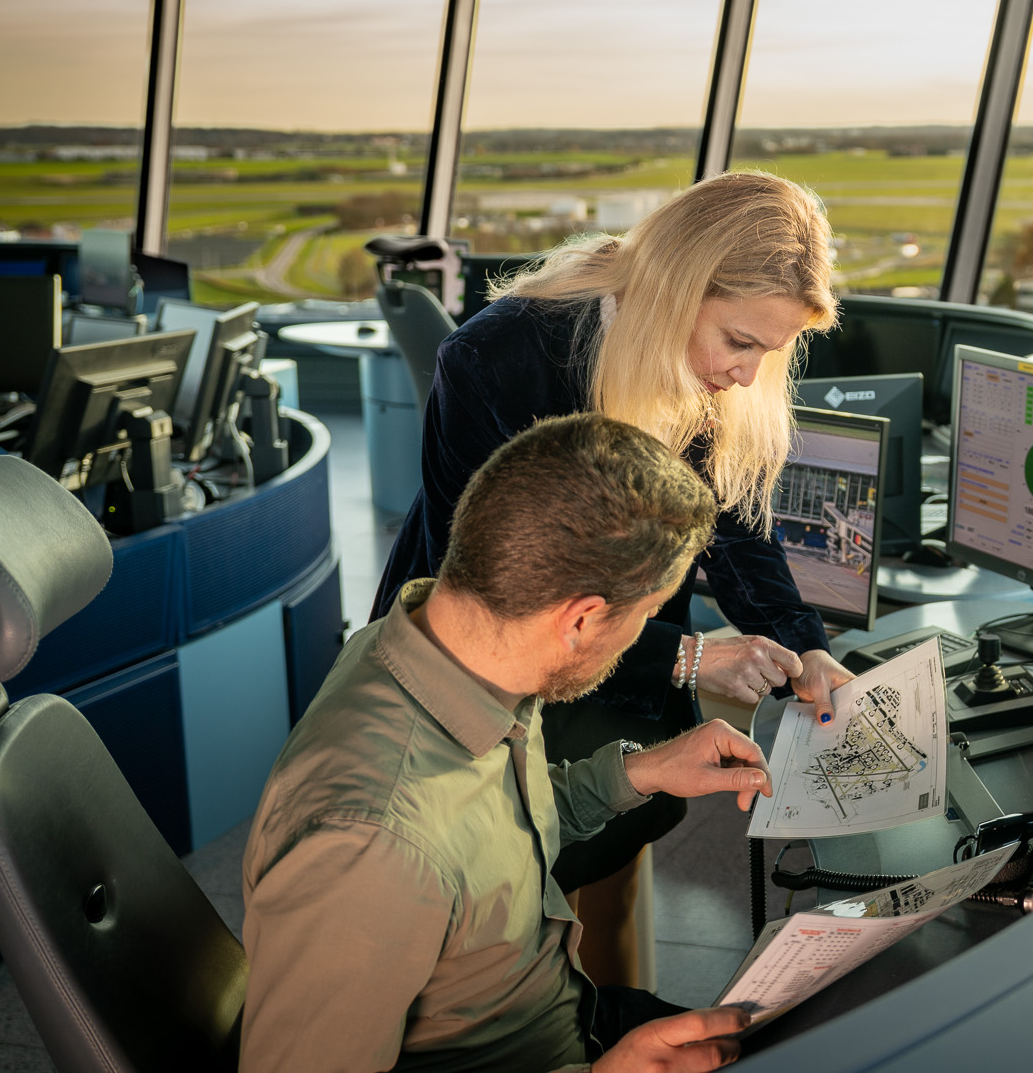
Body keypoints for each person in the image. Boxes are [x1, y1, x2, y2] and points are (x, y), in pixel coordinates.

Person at [370, 171, 858, 982]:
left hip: (613, 654)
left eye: (767, 354)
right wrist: (690, 657)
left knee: (609, 865)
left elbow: (729, 525)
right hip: (470, 679)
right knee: (503, 922)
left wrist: (804, 647)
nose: (745, 375)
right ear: (676, 291)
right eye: (740, 341)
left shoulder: (696, 366)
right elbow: (497, 598)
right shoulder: (497, 360)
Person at [243, 412, 766, 1073]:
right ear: (580, 619)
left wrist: (639, 773)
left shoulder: (449, 644)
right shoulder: (372, 848)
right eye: (642, 618)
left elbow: (494, 832)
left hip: (558, 1012)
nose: (639, 638)